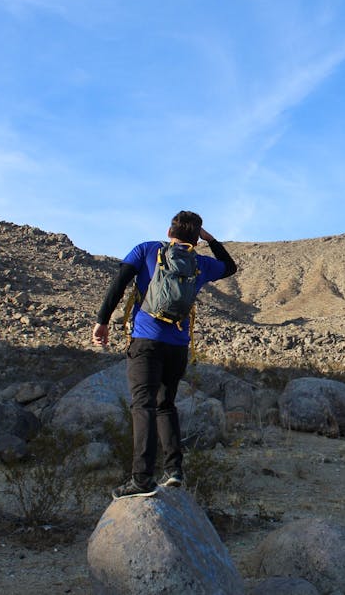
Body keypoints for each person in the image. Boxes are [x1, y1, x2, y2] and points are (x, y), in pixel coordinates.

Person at [92, 211, 237, 499]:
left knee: (143, 406)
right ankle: (173, 471)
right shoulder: (201, 263)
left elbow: (118, 284)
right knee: (165, 405)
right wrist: (210, 240)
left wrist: (103, 320)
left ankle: (142, 479)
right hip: (177, 346)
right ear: (196, 237)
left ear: (169, 230)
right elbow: (230, 267)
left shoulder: (146, 250)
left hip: (146, 341)